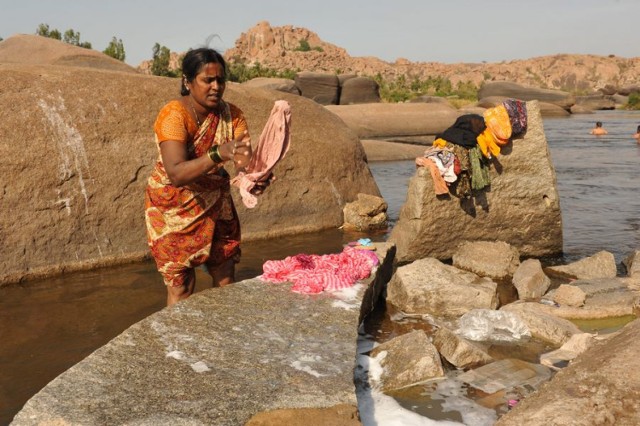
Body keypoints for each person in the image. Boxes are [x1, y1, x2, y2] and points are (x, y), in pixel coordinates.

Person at [144, 47, 266, 306]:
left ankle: (222, 338)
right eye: (207, 80)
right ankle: (178, 343)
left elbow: (243, 166)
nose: (216, 87)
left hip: (217, 202)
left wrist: (253, 181)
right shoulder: (174, 115)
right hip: (174, 207)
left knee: (225, 277)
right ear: (187, 82)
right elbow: (176, 173)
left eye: (220, 80)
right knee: (182, 287)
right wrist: (218, 154)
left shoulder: (233, 116)